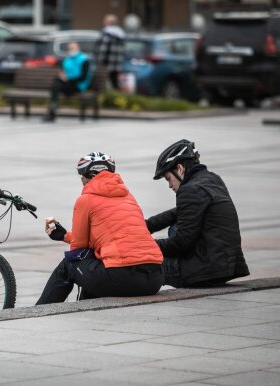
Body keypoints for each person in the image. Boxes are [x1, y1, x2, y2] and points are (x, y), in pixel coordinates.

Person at [36, 152, 164, 305]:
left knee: (69, 264)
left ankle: (38, 312)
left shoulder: (85, 200)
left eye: (82, 177)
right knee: (95, 262)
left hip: (123, 279)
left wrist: (70, 240)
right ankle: (86, 310)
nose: (82, 181)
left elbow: (78, 249)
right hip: (155, 278)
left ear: (89, 176)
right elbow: (107, 239)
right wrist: (64, 236)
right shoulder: (128, 197)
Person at [146, 140, 250, 288]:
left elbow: (180, 243)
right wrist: (146, 225)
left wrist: (146, 245)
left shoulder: (189, 190)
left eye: (168, 178)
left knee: (144, 264)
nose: (169, 185)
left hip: (203, 272)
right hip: (225, 269)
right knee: (177, 225)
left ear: (180, 169)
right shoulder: (212, 180)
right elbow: (179, 212)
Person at [42, 42, 93, 123]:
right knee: (56, 84)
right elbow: (63, 71)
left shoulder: (84, 60)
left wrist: (68, 79)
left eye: (73, 48)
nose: (71, 50)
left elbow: (83, 77)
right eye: (70, 48)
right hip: (67, 84)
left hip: (78, 85)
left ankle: (52, 113)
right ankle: (52, 112)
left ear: (78, 48)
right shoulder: (67, 59)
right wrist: (62, 76)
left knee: (55, 87)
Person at [95, 14, 125, 90]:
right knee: (115, 82)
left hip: (106, 64)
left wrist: (99, 62)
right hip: (117, 64)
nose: (103, 23)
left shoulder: (107, 34)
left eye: (105, 21)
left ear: (109, 23)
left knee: (104, 84)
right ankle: (117, 98)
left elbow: (102, 50)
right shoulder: (120, 34)